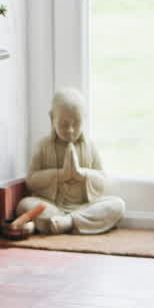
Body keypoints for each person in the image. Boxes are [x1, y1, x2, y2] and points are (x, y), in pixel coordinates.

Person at [15, 87, 125, 235]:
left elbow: (103, 182)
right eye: (64, 124)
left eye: (76, 123)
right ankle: (69, 222)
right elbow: (31, 181)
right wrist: (60, 175)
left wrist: (81, 174)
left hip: (84, 207)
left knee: (117, 205)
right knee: (24, 205)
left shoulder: (90, 147)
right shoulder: (43, 146)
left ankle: (67, 222)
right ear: (52, 118)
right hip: (53, 207)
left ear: (84, 118)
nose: (71, 130)